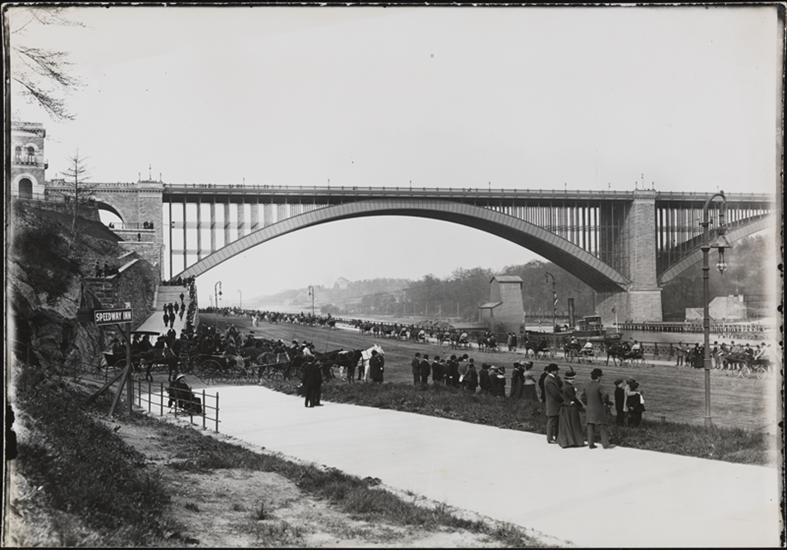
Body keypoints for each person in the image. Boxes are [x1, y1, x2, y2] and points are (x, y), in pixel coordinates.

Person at [582, 368, 613, 449]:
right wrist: (604, 402)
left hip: (589, 408)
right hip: (599, 408)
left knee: (590, 425)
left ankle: (591, 444)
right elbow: (605, 394)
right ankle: (605, 444)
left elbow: (582, 397)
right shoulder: (600, 386)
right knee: (602, 426)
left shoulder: (587, 385)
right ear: (598, 377)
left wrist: (587, 403)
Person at [557, 367, 585, 448]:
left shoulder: (563, 385)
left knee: (566, 425)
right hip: (570, 408)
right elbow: (573, 398)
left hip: (564, 407)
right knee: (574, 424)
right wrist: (580, 405)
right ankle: (576, 441)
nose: (573, 380)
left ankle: (566, 441)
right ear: (568, 379)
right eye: (572, 379)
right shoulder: (569, 387)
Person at [543, 364, 563, 443]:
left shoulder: (552, 378)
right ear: (552, 371)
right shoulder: (549, 380)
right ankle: (550, 438)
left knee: (555, 421)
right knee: (552, 421)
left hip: (553, 403)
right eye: (556, 370)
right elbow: (555, 393)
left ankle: (555, 437)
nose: (557, 372)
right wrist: (562, 399)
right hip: (553, 403)